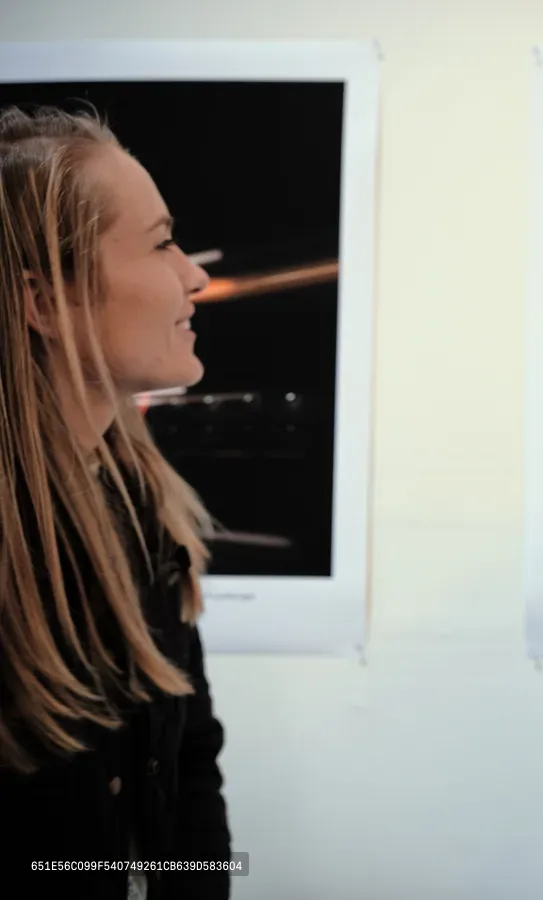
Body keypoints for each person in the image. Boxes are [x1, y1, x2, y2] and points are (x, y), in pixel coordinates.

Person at [0, 106, 231, 899]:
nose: (194, 275)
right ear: (43, 300)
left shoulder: (143, 506)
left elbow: (192, 758)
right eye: (162, 242)